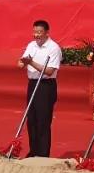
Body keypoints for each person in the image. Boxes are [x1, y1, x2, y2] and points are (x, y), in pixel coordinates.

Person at [19, 19, 62, 157]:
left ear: (46, 33)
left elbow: (49, 71)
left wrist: (31, 62)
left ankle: (43, 154)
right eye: (35, 32)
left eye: (39, 32)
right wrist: (22, 63)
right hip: (32, 84)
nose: (36, 35)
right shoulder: (31, 45)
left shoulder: (53, 48)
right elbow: (22, 61)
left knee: (43, 120)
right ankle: (33, 152)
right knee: (32, 120)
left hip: (45, 86)